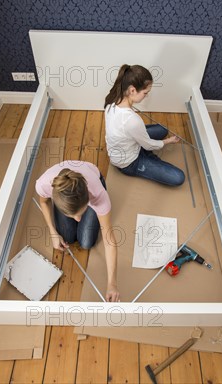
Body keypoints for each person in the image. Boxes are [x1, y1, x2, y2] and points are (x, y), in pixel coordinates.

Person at [35, 161, 119, 302]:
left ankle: (79, 210)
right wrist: (53, 232)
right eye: (73, 215)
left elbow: (109, 239)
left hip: (93, 179)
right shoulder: (43, 184)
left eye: (82, 212)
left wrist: (112, 284)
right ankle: (73, 210)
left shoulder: (98, 195)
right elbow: (43, 202)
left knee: (86, 242)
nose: (78, 219)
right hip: (65, 189)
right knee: (67, 236)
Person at [104, 64, 185, 186]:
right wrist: (169, 141)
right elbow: (148, 145)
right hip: (128, 163)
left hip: (129, 141)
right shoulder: (133, 121)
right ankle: (148, 160)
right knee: (178, 177)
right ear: (132, 90)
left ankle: (148, 157)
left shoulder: (112, 100)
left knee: (162, 130)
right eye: (145, 93)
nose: (146, 96)